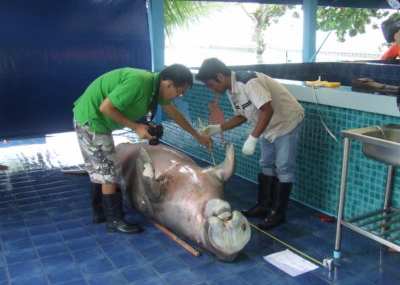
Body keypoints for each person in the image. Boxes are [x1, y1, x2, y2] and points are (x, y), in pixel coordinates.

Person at [73, 64, 212, 234]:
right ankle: (114, 221)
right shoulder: (139, 82)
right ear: (168, 84)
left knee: (101, 169)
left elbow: (175, 114)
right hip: (92, 121)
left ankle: (100, 213)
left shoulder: (156, 88)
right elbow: (106, 107)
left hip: (96, 121)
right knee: (110, 172)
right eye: (180, 92)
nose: (178, 96)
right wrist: (136, 127)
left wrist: (198, 136)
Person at [196, 58, 304, 230]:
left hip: (286, 122)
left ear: (220, 76)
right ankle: (263, 205)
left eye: (211, 84)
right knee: (266, 163)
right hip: (268, 126)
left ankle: (278, 213)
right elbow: (242, 115)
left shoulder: (248, 82)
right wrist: (218, 128)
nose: (211, 89)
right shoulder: (232, 89)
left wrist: (253, 138)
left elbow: (268, 109)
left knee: (283, 167)